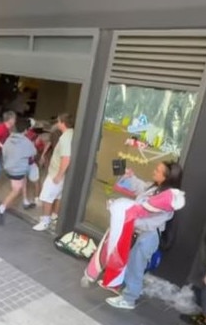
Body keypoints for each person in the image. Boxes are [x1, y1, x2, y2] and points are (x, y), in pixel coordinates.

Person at [81, 161, 185, 310]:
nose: (154, 171)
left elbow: (149, 223)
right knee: (124, 260)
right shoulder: (155, 188)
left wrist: (125, 217)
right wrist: (129, 177)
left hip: (147, 237)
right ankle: (118, 286)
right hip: (136, 233)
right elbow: (140, 187)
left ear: (167, 178)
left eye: (158, 170)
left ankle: (129, 299)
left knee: (135, 268)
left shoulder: (167, 201)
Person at [33, 113, 74, 232]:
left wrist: (59, 175)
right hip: (61, 173)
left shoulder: (65, 137)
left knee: (46, 197)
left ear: (62, 123)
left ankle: (45, 221)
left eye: (58, 121)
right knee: (58, 196)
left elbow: (66, 158)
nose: (56, 124)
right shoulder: (71, 133)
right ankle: (54, 217)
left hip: (56, 173)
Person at [0, 117, 38, 225]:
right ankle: (2, 207)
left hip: (9, 168)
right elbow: (33, 152)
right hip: (18, 171)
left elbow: (4, 151)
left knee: (21, 181)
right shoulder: (27, 142)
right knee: (16, 189)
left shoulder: (9, 139)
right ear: (25, 130)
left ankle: (25, 200)